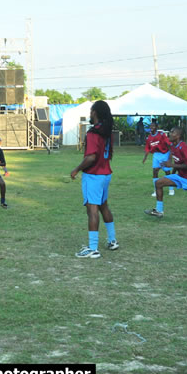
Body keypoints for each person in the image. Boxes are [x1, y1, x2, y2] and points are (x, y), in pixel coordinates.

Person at [70, 100, 118, 259]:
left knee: (92, 210)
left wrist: (77, 169)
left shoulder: (93, 133)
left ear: (95, 112)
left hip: (94, 175)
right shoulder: (107, 131)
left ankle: (93, 248)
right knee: (103, 206)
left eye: (91, 111)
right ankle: (112, 240)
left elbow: (91, 157)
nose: (90, 114)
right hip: (106, 174)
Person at [142, 121, 174, 197]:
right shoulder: (149, 137)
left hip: (164, 154)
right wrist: (145, 157)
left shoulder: (161, 135)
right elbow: (147, 148)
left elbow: (169, 144)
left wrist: (170, 156)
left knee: (167, 172)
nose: (151, 127)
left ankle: (171, 189)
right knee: (155, 172)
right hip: (156, 155)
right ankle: (156, 190)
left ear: (156, 127)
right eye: (150, 126)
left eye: (153, 126)